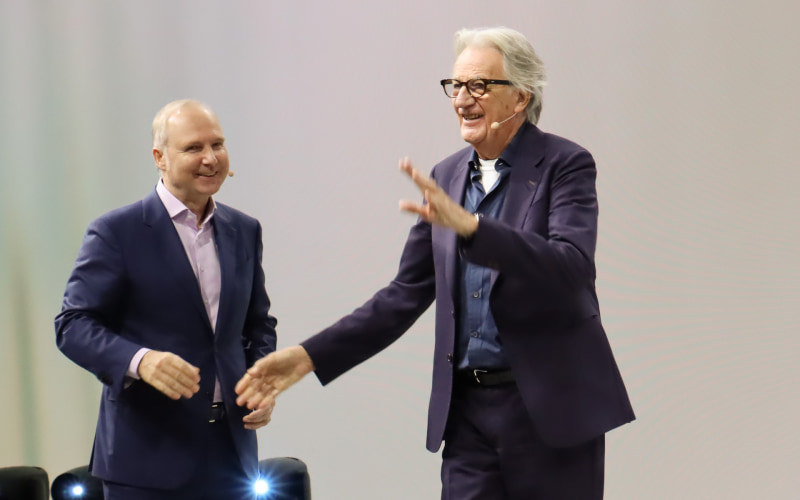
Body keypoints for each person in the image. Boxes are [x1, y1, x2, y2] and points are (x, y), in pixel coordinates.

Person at [236, 27, 634, 499]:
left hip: (550, 411)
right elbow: (402, 296)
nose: (462, 99)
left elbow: (570, 268)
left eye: (479, 86)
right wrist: (308, 357)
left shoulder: (564, 164)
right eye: (456, 85)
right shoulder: (447, 177)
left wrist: (474, 229)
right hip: (467, 416)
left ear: (520, 96)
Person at [55, 99, 277, 500]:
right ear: (160, 157)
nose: (211, 158)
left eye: (218, 144)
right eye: (193, 148)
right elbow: (73, 325)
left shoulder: (244, 230)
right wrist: (140, 361)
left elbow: (258, 324)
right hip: (146, 462)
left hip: (233, 457)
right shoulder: (116, 232)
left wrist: (261, 382)